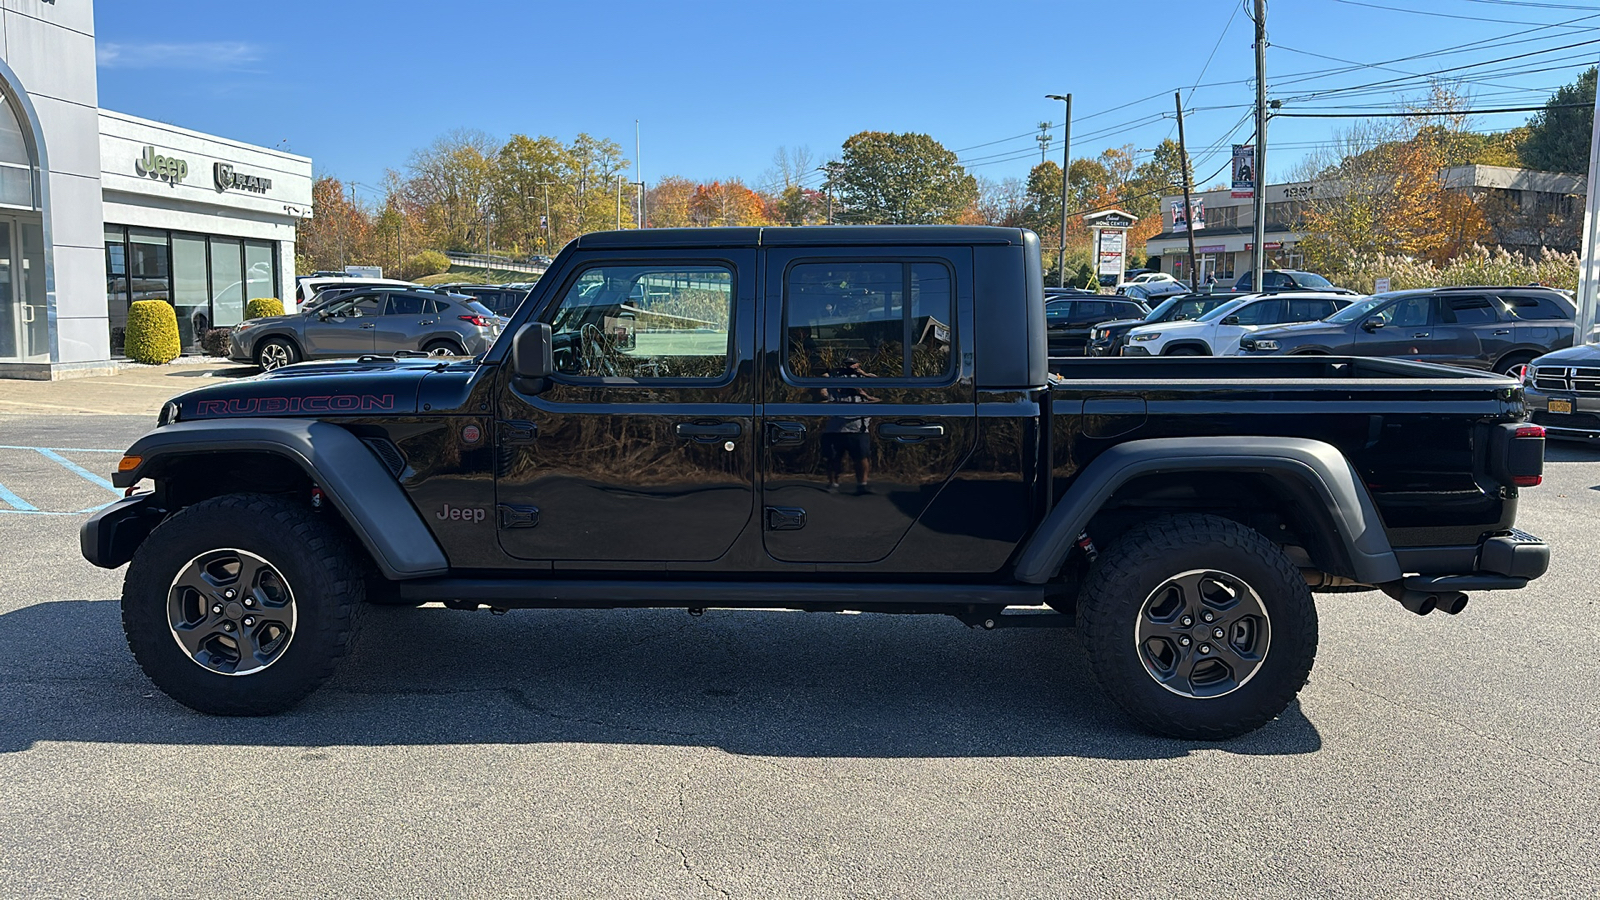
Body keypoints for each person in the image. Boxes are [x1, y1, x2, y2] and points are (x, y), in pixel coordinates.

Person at [819, 356, 880, 493]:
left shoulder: (863, 379)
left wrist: (862, 377)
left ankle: (862, 484)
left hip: (858, 425)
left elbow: (878, 386)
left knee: (861, 457)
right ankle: (833, 484)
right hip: (836, 425)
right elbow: (822, 390)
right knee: (833, 458)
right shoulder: (834, 378)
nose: (850, 367)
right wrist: (835, 376)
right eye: (847, 364)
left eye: (853, 364)